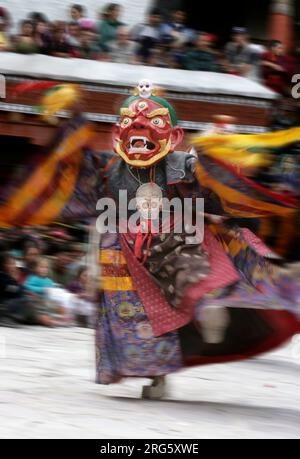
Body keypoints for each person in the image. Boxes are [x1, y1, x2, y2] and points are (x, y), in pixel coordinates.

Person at [1, 80, 299, 400]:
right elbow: (74, 162)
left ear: (174, 137)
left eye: (154, 123)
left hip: (171, 236)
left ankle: (218, 297)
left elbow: (209, 184)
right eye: (130, 122)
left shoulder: (180, 164)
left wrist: (219, 154)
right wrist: (73, 114)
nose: (140, 129)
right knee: (141, 319)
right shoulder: (107, 165)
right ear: (118, 133)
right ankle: (157, 373)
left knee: (209, 242)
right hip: (121, 251)